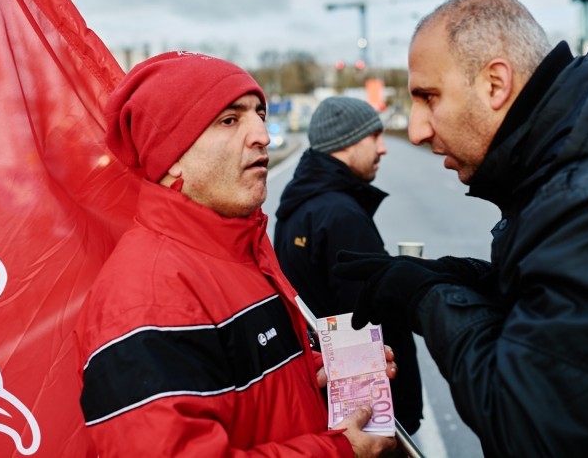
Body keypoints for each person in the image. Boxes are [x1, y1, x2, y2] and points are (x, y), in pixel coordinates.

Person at [332, 0, 588, 456]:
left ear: (494, 84)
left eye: (429, 97)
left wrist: (426, 298)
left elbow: (528, 427)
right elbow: (563, 315)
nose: (416, 130)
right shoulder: (586, 162)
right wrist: (463, 278)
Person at [73, 51, 397, 457]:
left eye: (259, 113)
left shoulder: (243, 250)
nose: (261, 133)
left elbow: (239, 382)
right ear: (171, 157)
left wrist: (312, 371)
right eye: (230, 119)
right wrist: (341, 451)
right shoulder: (145, 296)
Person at [273, 96, 424, 435]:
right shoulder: (341, 215)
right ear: (347, 142)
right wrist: (386, 421)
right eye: (375, 137)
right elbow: (365, 319)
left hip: (326, 400)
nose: (383, 148)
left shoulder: (300, 204)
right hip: (366, 411)